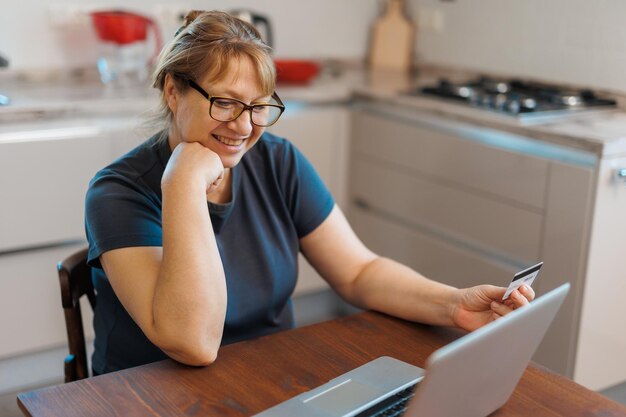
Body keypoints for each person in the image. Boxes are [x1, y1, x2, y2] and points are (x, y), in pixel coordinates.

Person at [84, 10, 535, 375]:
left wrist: (454, 305)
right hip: (147, 396)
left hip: (268, 377)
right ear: (172, 91)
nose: (244, 127)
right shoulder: (118, 193)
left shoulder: (277, 161)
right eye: (224, 102)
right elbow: (193, 343)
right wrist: (182, 182)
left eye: (259, 107)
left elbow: (358, 272)